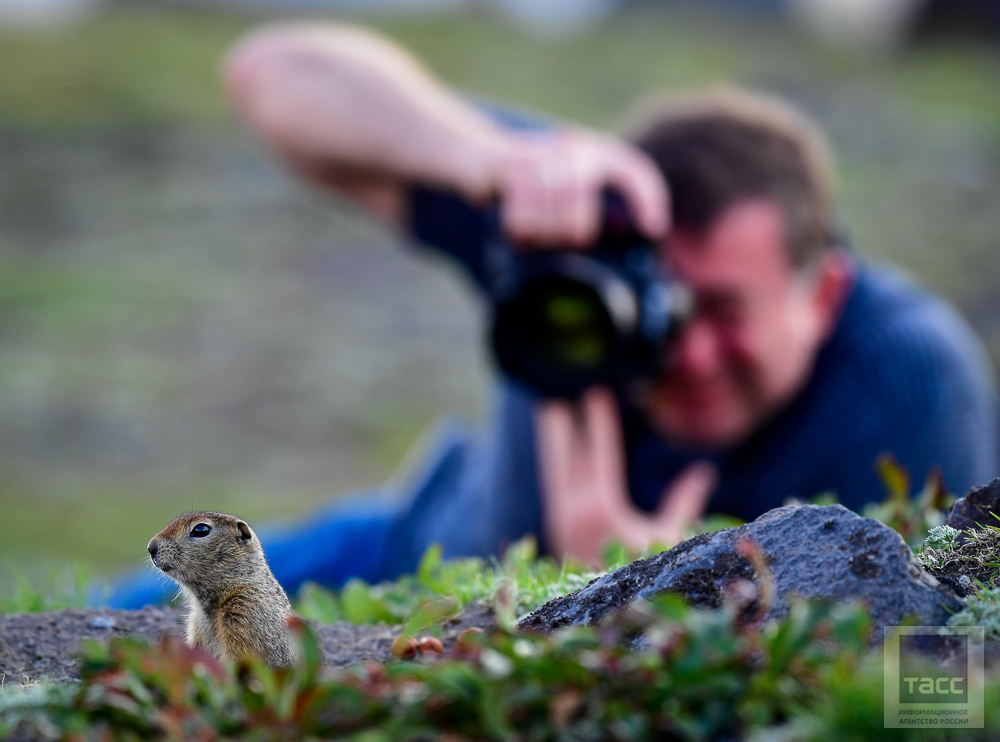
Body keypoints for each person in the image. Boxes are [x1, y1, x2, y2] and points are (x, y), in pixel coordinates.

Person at [108, 24, 998, 608]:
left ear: (826, 292)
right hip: (403, 545)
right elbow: (273, 73)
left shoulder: (909, 380)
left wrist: (650, 585)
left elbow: (935, 673)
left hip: (479, 622)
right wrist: (488, 159)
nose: (682, 351)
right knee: (95, 635)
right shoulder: (578, 230)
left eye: (725, 311)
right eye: (659, 305)